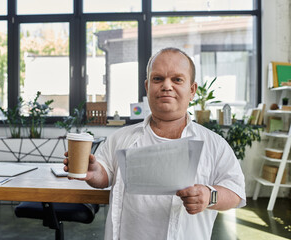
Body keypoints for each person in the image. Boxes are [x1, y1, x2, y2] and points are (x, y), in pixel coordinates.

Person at [63, 47, 246, 240]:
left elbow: (236, 192)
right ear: (147, 86)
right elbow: (105, 174)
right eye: (157, 79)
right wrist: (93, 172)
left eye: (177, 79)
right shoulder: (120, 138)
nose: (167, 86)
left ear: (192, 90)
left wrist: (210, 196)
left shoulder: (214, 144)